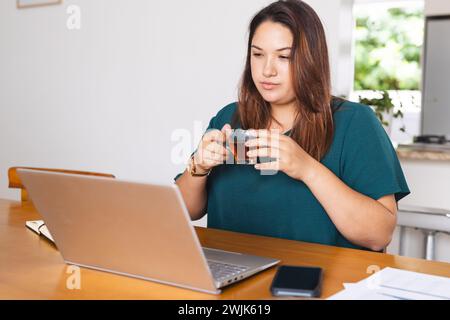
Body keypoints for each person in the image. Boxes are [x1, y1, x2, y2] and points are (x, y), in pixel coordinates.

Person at [175, 0, 410, 251]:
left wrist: (307, 169)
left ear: (311, 59)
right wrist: (198, 167)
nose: (267, 70)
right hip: (232, 278)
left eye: (284, 56)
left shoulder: (354, 122)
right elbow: (186, 211)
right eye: (257, 54)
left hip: (315, 283)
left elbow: (378, 235)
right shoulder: (230, 117)